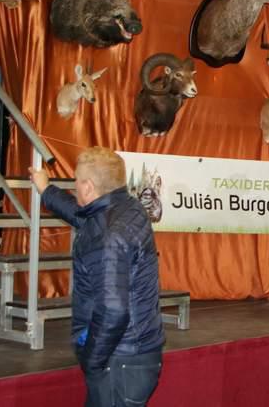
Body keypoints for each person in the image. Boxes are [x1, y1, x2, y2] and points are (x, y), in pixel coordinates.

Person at [29, 147, 164, 407]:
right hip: (134, 355)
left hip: (120, 361)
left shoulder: (108, 236)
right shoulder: (128, 208)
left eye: (77, 182)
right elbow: (84, 216)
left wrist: (91, 361)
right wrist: (46, 189)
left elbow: (113, 311)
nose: (76, 187)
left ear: (89, 187)